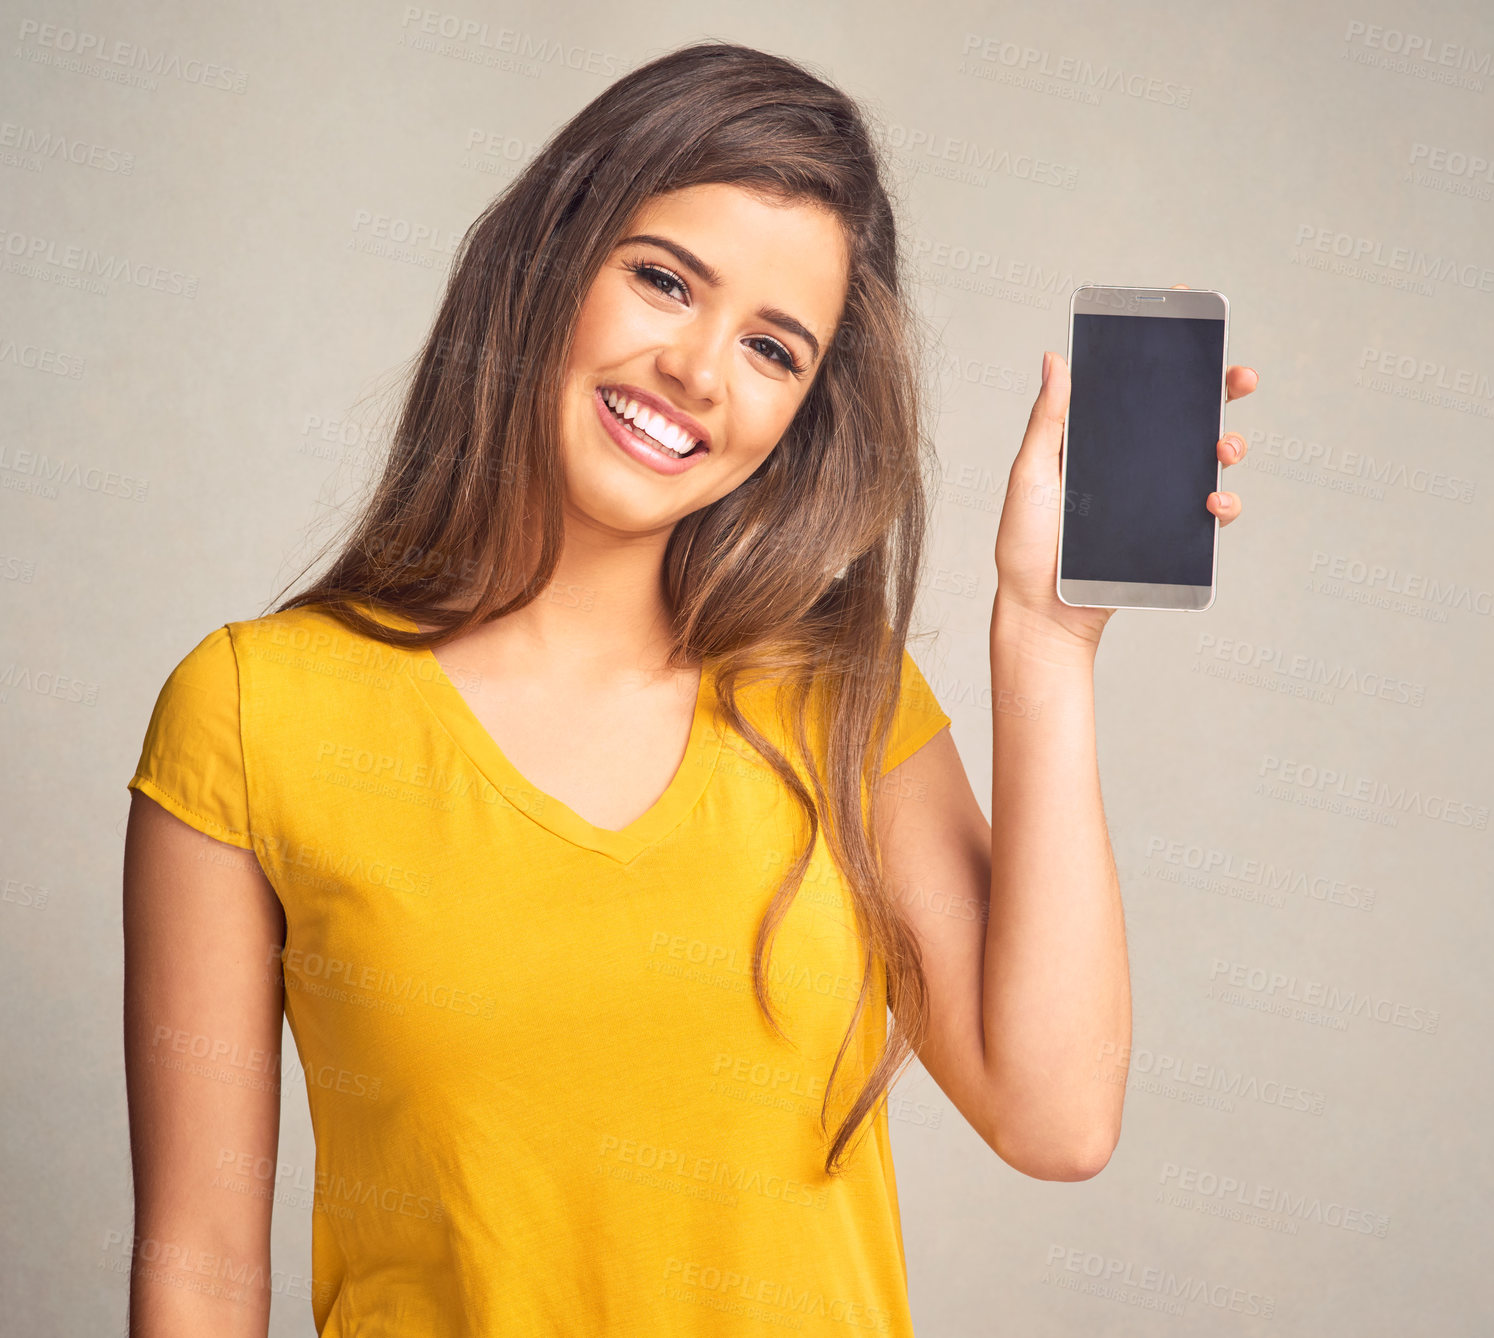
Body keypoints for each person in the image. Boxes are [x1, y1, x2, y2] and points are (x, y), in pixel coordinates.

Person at [121, 38, 1252, 1338]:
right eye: (663, 279)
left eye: (773, 349)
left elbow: (1054, 1117)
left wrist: (1044, 644)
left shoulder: (841, 698)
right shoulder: (256, 713)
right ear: (549, 261)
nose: (699, 372)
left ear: (802, 411)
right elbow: (200, 1267)